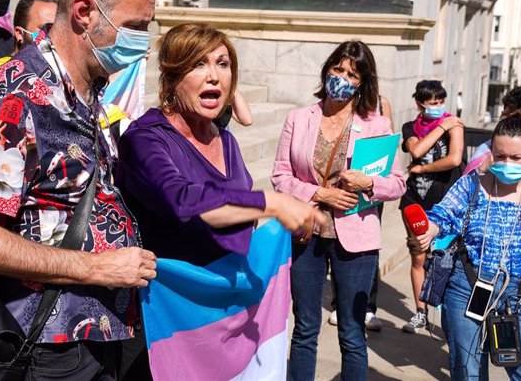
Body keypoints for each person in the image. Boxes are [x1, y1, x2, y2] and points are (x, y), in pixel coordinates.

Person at [0, 0, 158, 379]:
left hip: (90, 338)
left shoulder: (80, 89)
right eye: (136, 27)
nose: (144, 43)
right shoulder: (19, 98)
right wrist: (97, 268)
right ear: (84, 12)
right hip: (46, 349)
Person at [115, 22, 324, 378]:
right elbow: (182, 199)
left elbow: (239, 214)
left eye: (223, 64)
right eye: (199, 65)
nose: (214, 77)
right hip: (163, 322)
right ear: (172, 76)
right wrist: (272, 202)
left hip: (221, 315)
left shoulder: (225, 140)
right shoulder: (145, 139)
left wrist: (285, 230)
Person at [272, 40, 406, 381]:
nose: (343, 78)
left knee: (351, 331)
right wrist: (320, 194)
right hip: (307, 234)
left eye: (352, 74)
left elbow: (398, 183)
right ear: (327, 70)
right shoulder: (299, 118)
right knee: (304, 328)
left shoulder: (376, 125)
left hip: (356, 240)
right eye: (338, 69)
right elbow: (280, 176)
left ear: (363, 83)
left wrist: (368, 184)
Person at [415, 114, 521, 380]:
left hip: (518, 301)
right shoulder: (471, 186)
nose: (507, 163)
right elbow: (442, 216)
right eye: (500, 157)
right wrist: (428, 230)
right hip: (466, 291)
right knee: (469, 374)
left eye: (516, 158)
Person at [399, 80, 465, 333]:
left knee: (447, 259)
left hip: (447, 203)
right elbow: (416, 150)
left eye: (441, 102)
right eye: (432, 103)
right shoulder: (411, 127)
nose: (438, 107)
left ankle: (449, 316)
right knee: (418, 256)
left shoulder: (454, 125)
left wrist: (424, 169)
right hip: (415, 199)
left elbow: (454, 159)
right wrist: (440, 127)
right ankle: (421, 313)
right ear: (419, 103)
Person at [328, 93, 393, 332]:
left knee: (366, 250)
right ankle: (338, 303)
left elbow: (390, 144)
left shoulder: (381, 104)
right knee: (339, 249)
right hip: (342, 193)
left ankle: (368, 307)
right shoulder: (330, 111)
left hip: (370, 189)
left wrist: (370, 181)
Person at [465, 85, 521, 189]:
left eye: (516, 157)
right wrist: (480, 171)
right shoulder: (484, 151)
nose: (509, 124)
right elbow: (465, 189)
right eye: (500, 156)